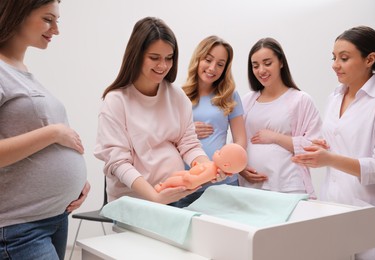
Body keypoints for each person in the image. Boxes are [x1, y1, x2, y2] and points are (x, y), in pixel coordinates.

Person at [94, 17, 224, 206]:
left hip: (176, 197)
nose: (163, 66)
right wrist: (154, 196)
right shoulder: (116, 101)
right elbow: (118, 164)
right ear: (136, 55)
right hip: (135, 203)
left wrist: (207, 168)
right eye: (154, 58)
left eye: (169, 58)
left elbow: (189, 145)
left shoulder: (177, 96)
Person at [0, 0, 90, 259]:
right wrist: (54, 133)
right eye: (48, 19)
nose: (56, 30)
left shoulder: (23, 73)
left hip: (56, 217)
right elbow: (50, 135)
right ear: (18, 13)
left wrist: (77, 184)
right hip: (20, 228)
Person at [292, 26, 375, 260]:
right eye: (334, 57)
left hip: (369, 211)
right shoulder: (335, 97)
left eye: (344, 58)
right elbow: (343, 142)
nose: (335, 64)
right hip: (335, 206)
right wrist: (323, 147)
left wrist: (329, 159)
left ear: (370, 59)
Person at [239, 37, 322, 198]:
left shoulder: (300, 100)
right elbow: (238, 142)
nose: (261, 70)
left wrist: (275, 137)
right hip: (251, 188)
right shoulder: (247, 101)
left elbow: (314, 147)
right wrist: (241, 169)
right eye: (255, 66)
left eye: (267, 63)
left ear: (281, 62)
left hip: (288, 187)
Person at [173, 35, 246, 207]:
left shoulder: (230, 96)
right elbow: (165, 138)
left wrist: (228, 167)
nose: (212, 68)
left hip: (223, 183)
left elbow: (240, 140)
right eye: (208, 60)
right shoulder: (178, 96)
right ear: (198, 59)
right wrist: (187, 130)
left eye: (220, 64)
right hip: (188, 184)